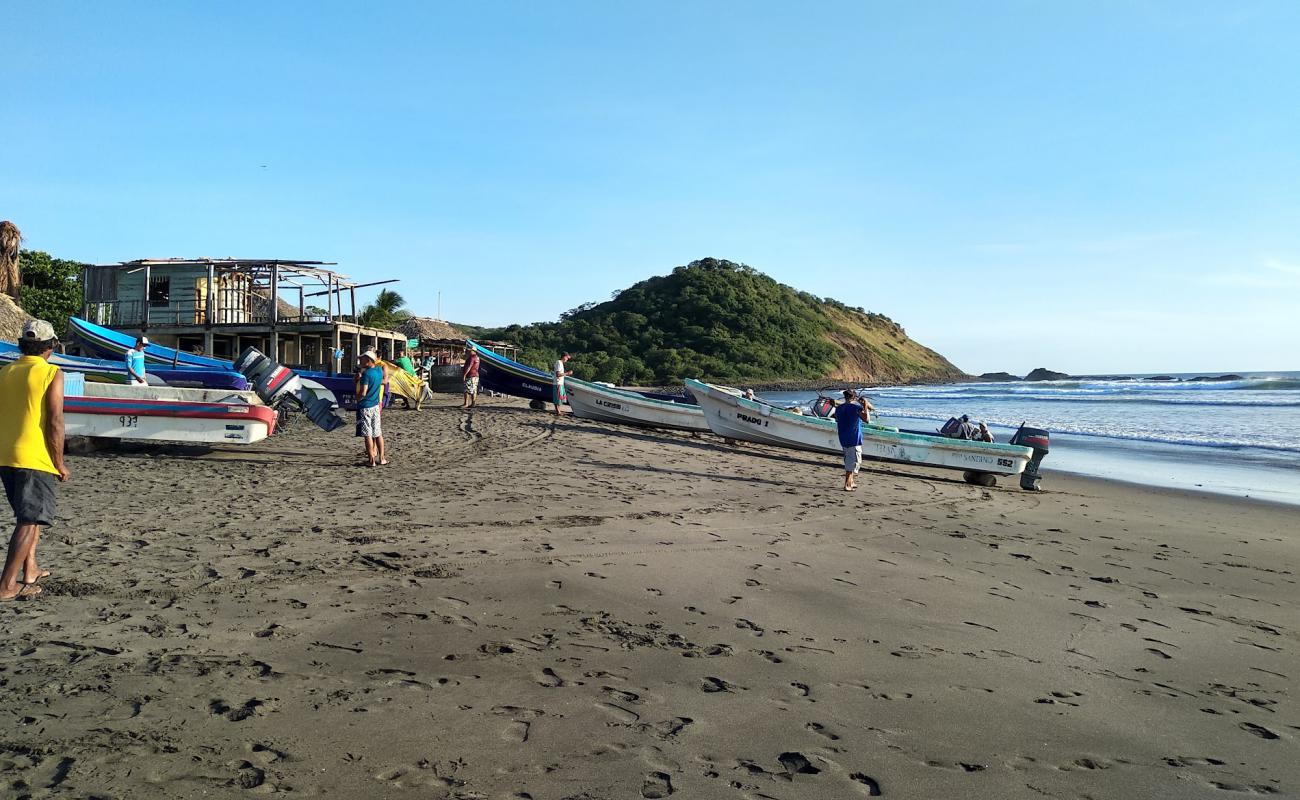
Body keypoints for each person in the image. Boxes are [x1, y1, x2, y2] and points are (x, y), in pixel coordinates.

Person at [0, 319, 70, 601]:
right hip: (32, 455)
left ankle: (30, 569)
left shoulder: (5, 371)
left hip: (5, 453)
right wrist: (59, 462)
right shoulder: (51, 372)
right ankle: (6, 586)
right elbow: (55, 421)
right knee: (30, 520)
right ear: (51, 346)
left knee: (27, 517)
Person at [832, 389, 875, 492]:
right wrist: (865, 406)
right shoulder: (856, 408)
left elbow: (837, 419)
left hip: (843, 437)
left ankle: (851, 482)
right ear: (854, 397)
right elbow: (867, 420)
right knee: (854, 462)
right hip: (854, 437)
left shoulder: (839, 408)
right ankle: (847, 484)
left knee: (849, 460)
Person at [356, 351, 388, 467]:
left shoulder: (367, 374)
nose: (360, 361)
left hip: (366, 406)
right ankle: (382, 458)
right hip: (375, 405)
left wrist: (357, 398)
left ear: (369, 360)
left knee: (367, 434)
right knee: (378, 433)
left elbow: (363, 392)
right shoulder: (379, 371)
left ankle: (371, 460)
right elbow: (384, 380)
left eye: (362, 359)